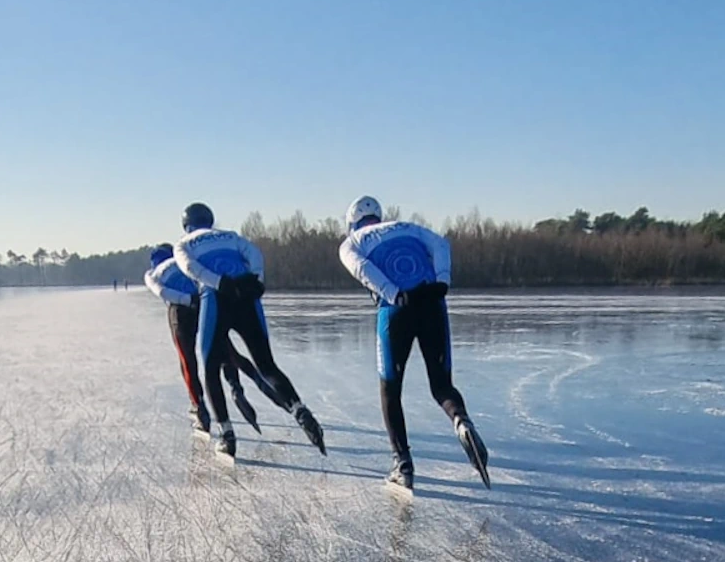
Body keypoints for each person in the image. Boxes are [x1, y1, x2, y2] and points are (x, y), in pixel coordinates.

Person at [337, 196, 489, 491]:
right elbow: (442, 245)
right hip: (432, 302)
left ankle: (402, 464)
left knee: (390, 390)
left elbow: (361, 269)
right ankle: (461, 421)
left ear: (352, 223)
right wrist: (442, 282)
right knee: (441, 385)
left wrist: (393, 293)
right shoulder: (408, 226)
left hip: (396, 309)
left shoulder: (351, 241)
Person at [174, 203, 325, 459]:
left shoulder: (183, 243)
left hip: (216, 297)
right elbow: (254, 253)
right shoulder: (230, 236)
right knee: (266, 365)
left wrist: (219, 283)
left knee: (209, 367)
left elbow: (190, 267)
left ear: (186, 226)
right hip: (246, 293)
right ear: (210, 221)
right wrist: (256, 279)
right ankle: (300, 410)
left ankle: (226, 434)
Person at [143, 244, 276, 435]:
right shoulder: (184, 261)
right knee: (224, 349)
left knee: (187, 360)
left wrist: (187, 300)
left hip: (181, 309)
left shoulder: (153, 272)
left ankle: (200, 409)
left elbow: (163, 291)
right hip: (203, 301)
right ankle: (238, 384)